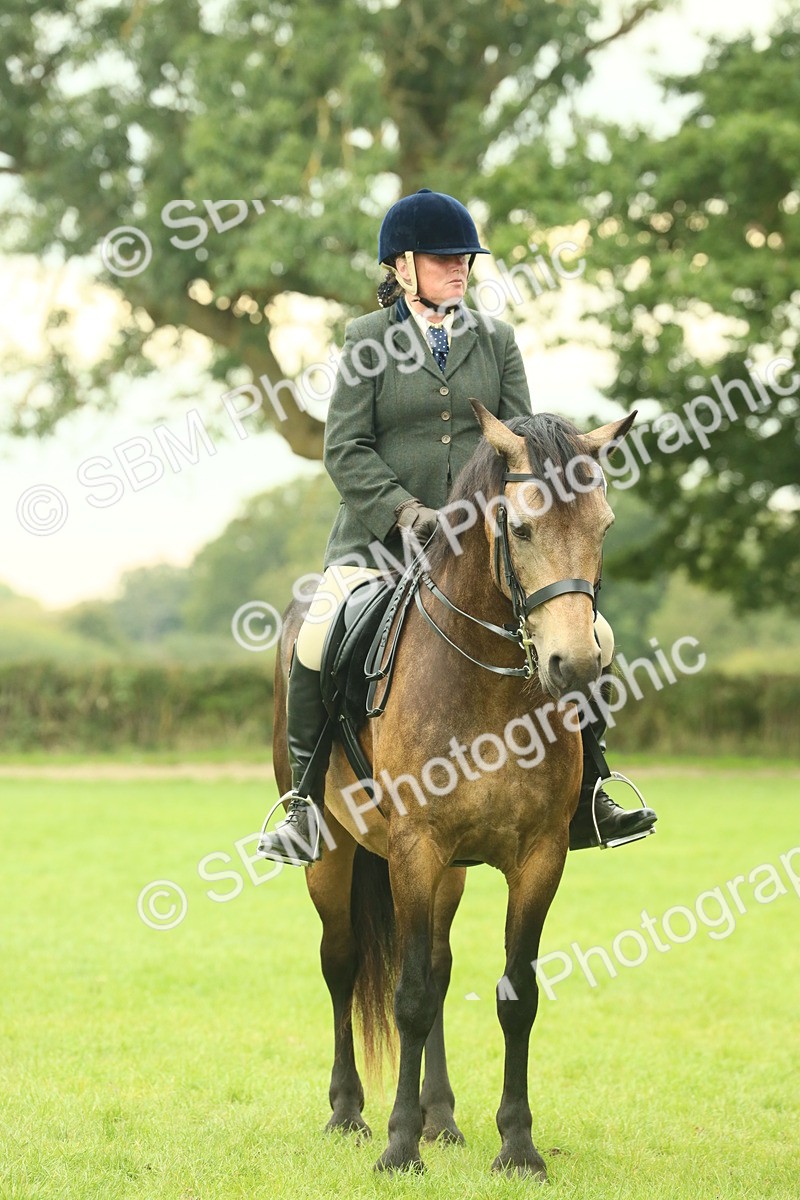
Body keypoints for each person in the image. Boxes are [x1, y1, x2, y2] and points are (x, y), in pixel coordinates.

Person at [258, 188, 657, 866]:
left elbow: (524, 444)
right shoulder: (364, 342)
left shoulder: (495, 339)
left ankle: (592, 788)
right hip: (380, 542)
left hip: (484, 547)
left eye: (464, 260)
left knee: (595, 633)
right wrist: (402, 511)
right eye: (443, 259)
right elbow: (344, 449)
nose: (459, 270)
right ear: (402, 268)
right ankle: (303, 803)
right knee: (317, 635)